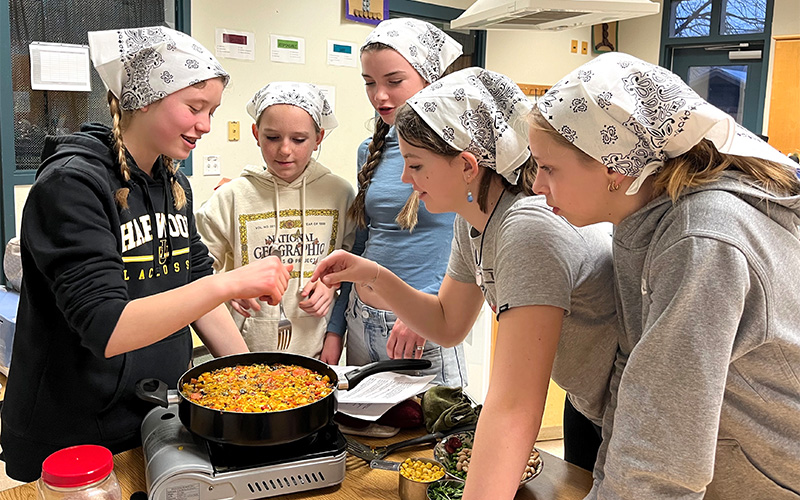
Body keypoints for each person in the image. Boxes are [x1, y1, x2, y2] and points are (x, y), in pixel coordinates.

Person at [0, 26, 291, 482]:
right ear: (143, 99)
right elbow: (107, 327)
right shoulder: (72, 184)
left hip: (153, 414)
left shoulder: (173, 183)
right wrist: (228, 281)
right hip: (72, 436)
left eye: (212, 111)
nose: (206, 126)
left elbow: (197, 292)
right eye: (194, 108)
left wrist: (251, 379)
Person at [313, 67, 619, 500]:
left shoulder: (526, 228)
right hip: (590, 403)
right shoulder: (474, 216)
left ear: (468, 166)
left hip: (624, 413)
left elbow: (515, 407)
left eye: (416, 165)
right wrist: (374, 274)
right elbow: (447, 321)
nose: (406, 179)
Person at [528, 52, 800, 499]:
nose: (538, 186)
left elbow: (660, 457)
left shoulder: (701, 238)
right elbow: (636, 390)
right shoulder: (642, 219)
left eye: (549, 167)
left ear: (614, 168)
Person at [326, 18, 468, 385]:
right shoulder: (368, 151)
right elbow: (361, 243)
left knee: (432, 436)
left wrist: (429, 311)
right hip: (362, 318)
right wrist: (336, 327)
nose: (379, 96)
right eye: (370, 83)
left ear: (429, 80)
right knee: (362, 436)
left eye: (394, 81)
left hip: (420, 327)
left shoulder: (462, 154)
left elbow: (471, 243)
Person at [196, 82, 355, 361]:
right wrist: (228, 286)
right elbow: (196, 268)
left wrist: (332, 286)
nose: (284, 150)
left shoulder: (339, 195)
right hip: (244, 351)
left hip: (316, 350)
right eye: (272, 137)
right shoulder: (231, 197)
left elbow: (354, 263)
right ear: (256, 134)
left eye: (299, 139)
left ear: (319, 137)